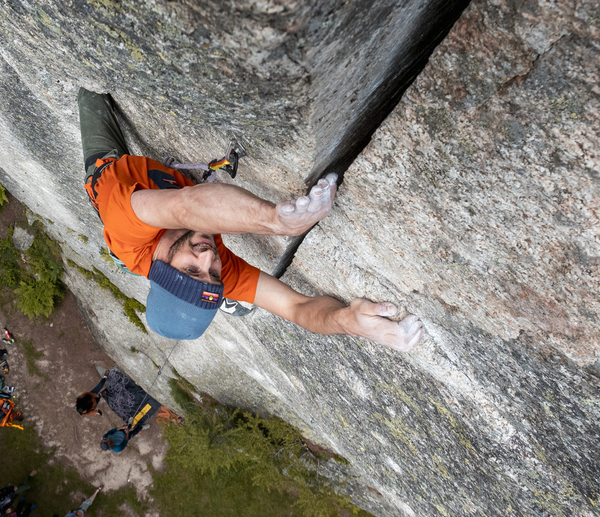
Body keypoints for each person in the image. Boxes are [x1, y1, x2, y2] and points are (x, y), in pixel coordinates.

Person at [77, 89, 424, 348]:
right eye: (214, 275)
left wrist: (274, 221)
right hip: (163, 190)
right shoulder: (212, 264)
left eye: (191, 270)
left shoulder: (128, 236)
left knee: (89, 91)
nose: (210, 257)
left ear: (161, 269)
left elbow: (186, 206)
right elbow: (296, 307)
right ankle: (220, 296)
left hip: (107, 171)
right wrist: (347, 321)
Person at [75, 367, 183, 426]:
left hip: (96, 396)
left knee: (123, 398)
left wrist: (105, 377)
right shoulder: (86, 411)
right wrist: (96, 412)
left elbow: (99, 386)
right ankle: (139, 423)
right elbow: (89, 412)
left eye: (94, 406)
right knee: (122, 408)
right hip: (95, 399)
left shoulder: (88, 395)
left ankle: (140, 422)